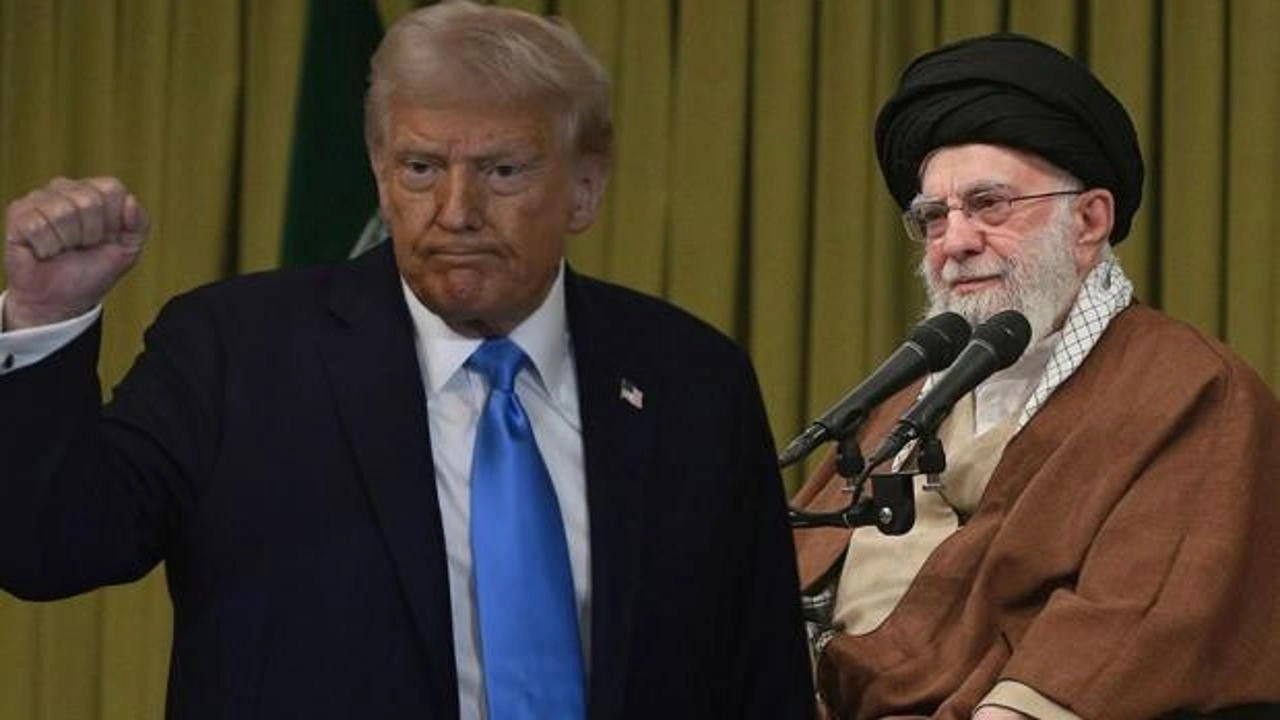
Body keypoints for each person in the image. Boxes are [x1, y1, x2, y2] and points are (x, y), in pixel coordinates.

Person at [0, 2, 814, 718]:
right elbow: (49, 548)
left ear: (585, 188)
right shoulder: (236, 352)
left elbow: (761, 677)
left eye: (502, 170)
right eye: (422, 168)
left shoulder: (692, 380)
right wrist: (43, 321)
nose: (456, 211)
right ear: (381, 176)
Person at [791, 33, 1280, 720]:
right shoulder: (899, 405)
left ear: (1089, 219)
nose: (955, 242)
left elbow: (1133, 628)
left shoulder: (1193, 390)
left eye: (989, 204)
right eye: (933, 217)